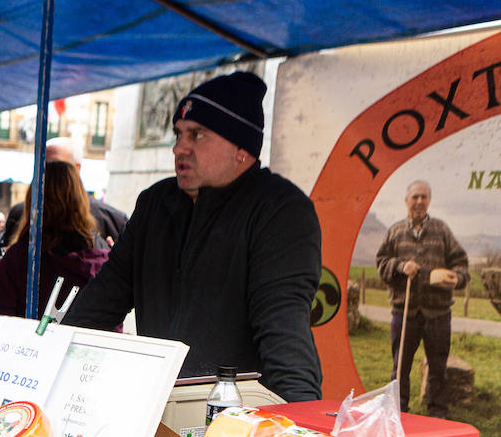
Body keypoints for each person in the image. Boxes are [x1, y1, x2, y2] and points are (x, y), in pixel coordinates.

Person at [64, 72, 323, 401]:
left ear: (242, 149)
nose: (179, 148)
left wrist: (299, 421)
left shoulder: (280, 211)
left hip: (235, 419)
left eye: (197, 135)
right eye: (178, 134)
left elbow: (284, 332)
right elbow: (100, 303)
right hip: (156, 409)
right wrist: (53, 363)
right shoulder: (155, 204)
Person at [375, 180, 468, 417]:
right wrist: (399, 266)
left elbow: (461, 264)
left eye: (424, 197)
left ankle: (437, 414)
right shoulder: (395, 232)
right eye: (415, 197)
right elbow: (381, 263)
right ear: (406, 200)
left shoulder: (442, 230)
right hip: (404, 312)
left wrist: (456, 278)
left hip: (438, 313)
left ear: (429, 201)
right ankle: (397, 412)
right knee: (400, 367)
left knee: (438, 367)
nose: (419, 201)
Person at [0, 161, 110, 319]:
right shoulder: (102, 259)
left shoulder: (20, 258)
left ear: (33, 199)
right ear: (81, 200)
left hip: (26, 341)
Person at [0, 138, 127, 252]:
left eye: (56, 166)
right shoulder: (20, 213)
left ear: (76, 168)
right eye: (41, 165)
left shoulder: (112, 219)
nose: (46, 173)